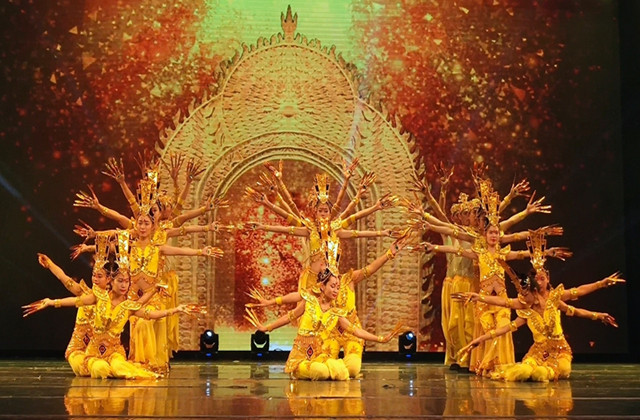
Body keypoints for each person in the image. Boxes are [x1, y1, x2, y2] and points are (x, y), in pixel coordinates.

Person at [247, 237, 409, 378]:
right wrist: (269, 308)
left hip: (343, 336)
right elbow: (293, 306)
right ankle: (309, 369)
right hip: (323, 341)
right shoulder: (312, 297)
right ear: (322, 285)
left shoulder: (344, 288)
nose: (336, 290)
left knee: (350, 369)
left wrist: (389, 253)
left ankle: (324, 370)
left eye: (337, 287)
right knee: (324, 370)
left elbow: (355, 329)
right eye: (333, 286)